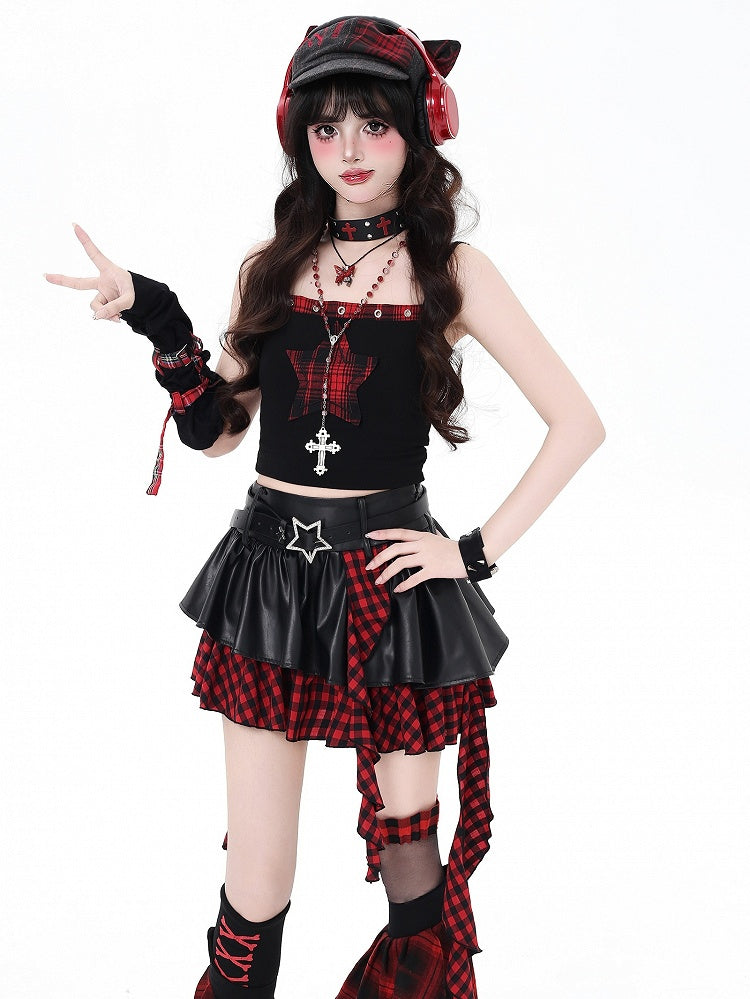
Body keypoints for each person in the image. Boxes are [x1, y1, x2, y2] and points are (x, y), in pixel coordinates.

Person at [44, 15, 606, 999]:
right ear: (300, 135)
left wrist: (470, 552)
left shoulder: (453, 272)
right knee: (255, 880)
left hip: (390, 586)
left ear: (419, 129)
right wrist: (158, 317)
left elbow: (578, 424)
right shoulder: (271, 265)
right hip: (268, 579)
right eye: (327, 126)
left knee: (410, 863)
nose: (349, 148)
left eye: (374, 124)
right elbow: (218, 432)